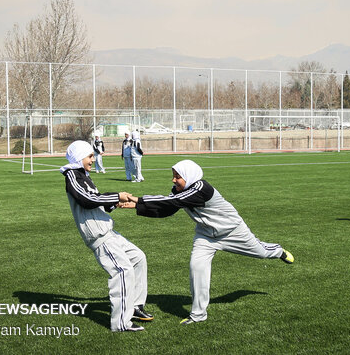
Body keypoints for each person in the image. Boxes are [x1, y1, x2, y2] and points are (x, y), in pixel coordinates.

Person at [119, 159, 294, 325]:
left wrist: (138, 199)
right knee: (197, 267)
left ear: (190, 175)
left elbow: (173, 201)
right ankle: (198, 314)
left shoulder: (202, 187)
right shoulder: (178, 191)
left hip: (232, 231)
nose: (174, 180)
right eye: (173, 175)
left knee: (262, 252)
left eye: (177, 176)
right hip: (206, 236)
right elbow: (168, 209)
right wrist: (138, 207)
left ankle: (278, 251)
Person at [60, 140, 153, 332]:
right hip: (99, 237)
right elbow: (86, 200)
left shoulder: (83, 176)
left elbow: (97, 199)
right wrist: (115, 196)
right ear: (79, 157)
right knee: (122, 271)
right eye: (90, 156)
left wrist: (114, 203)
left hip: (108, 232)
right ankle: (120, 323)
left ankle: (134, 306)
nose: (93, 160)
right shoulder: (72, 175)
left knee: (138, 258)